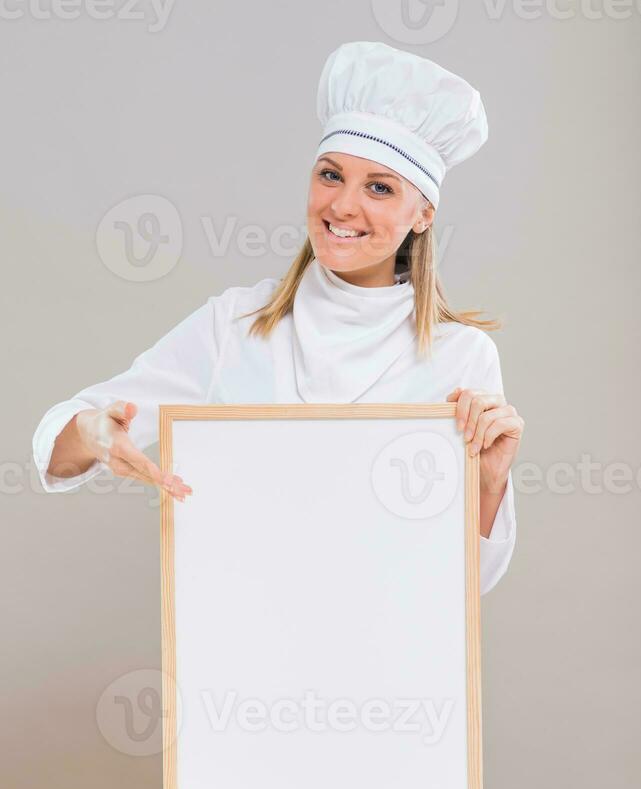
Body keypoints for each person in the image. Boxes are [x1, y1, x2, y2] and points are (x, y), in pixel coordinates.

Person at [32, 40, 524, 596]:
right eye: (331, 175)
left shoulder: (462, 357)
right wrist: (95, 433)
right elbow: (59, 443)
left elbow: (463, 591)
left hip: (388, 672)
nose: (341, 206)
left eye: (379, 188)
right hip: (237, 665)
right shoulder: (235, 325)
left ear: (424, 213)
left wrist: (489, 483)